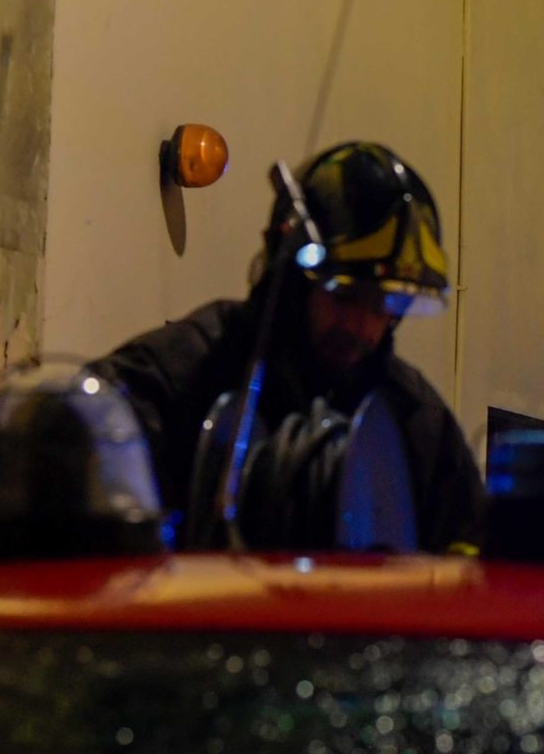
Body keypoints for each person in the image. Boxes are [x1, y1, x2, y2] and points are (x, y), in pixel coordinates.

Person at [92, 141, 485, 553]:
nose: (364, 327)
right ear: (291, 278)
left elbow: (473, 554)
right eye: (347, 295)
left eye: (386, 303)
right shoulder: (178, 377)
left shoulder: (416, 421)